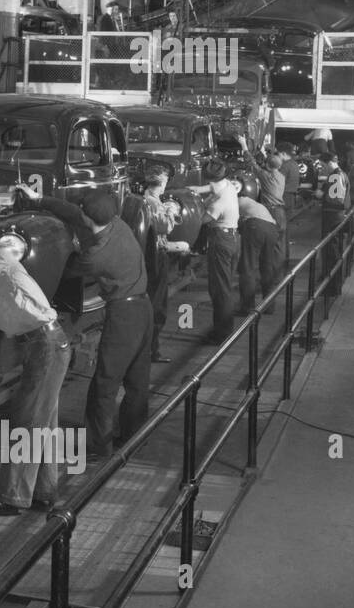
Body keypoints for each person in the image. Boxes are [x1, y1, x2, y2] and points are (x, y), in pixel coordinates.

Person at [17, 184, 151, 460]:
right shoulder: (119, 225)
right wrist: (39, 199)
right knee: (137, 379)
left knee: (105, 383)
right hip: (143, 308)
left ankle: (98, 447)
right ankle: (134, 436)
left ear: (89, 216)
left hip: (124, 315)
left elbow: (64, 273)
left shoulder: (96, 256)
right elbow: (75, 214)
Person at [0, 230, 72, 517]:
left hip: (47, 343)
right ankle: (43, 492)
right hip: (42, 345)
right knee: (42, 423)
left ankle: (11, 498)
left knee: (27, 423)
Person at [139, 171, 190, 362]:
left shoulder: (149, 200)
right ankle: (151, 350)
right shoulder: (152, 202)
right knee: (157, 303)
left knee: (156, 300)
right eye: (166, 181)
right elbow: (165, 227)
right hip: (156, 255)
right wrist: (171, 208)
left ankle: (151, 348)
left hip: (153, 253)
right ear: (161, 183)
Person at [189, 163, 240, 344]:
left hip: (221, 241)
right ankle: (224, 329)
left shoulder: (219, 202)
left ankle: (222, 334)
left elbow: (200, 221)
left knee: (220, 289)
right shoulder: (228, 185)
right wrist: (192, 190)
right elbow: (211, 187)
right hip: (232, 238)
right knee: (224, 285)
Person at [237, 191, 282, 316]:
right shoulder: (253, 203)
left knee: (248, 268)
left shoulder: (236, 201)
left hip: (255, 227)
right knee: (267, 268)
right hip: (272, 229)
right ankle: (269, 306)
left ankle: (247, 307)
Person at [316, 154, 351, 298]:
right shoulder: (343, 174)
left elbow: (335, 198)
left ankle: (331, 286)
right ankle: (331, 282)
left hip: (332, 215)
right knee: (334, 248)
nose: (323, 168)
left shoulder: (335, 176)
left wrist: (320, 194)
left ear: (330, 163)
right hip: (339, 215)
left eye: (324, 165)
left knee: (331, 249)